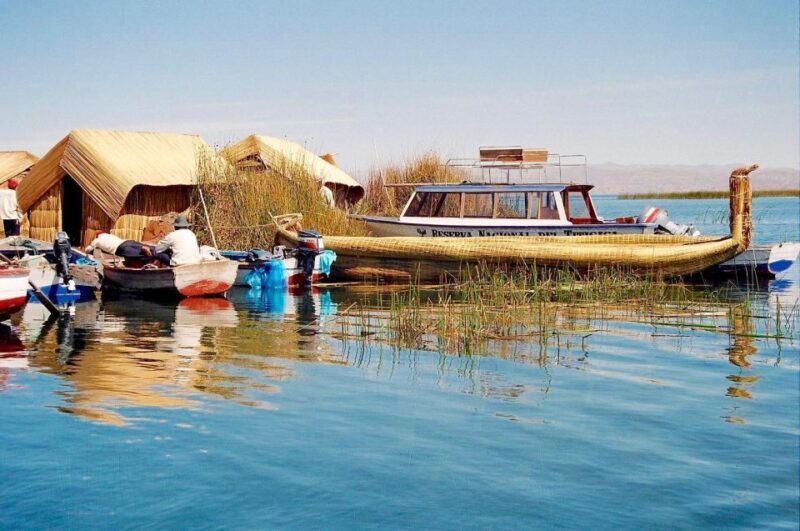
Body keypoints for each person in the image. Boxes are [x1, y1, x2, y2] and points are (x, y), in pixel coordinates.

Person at [85, 232, 153, 258]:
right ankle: (153, 248)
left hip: (120, 248)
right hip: (127, 241)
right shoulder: (108, 235)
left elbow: (88, 250)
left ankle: (143, 251)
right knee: (152, 249)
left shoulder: (96, 241)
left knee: (141, 254)